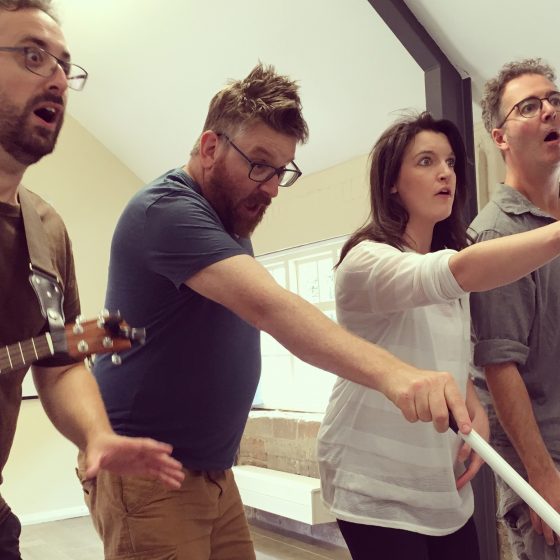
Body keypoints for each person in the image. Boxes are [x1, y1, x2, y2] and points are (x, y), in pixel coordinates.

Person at [87, 64, 477, 560]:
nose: (271, 186)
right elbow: (272, 307)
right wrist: (398, 377)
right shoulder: (166, 211)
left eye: (282, 170)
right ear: (210, 148)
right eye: (260, 164)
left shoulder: (230, 219)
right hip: (148, 469)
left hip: (211, 469)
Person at [316, 111, 560, 560]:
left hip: (441, 486)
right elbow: (458, 273)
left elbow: (445, 351)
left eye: (449, 162)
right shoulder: (367, 261)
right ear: (392, 180)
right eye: (426, 161)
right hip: (374, 485)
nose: (445, 172)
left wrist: (474, 406)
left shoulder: (451, 267)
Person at [0, 2, 186, 558]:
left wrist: (96, 435)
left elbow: (59, 366)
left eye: (64, 65)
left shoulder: (45, 230)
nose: (57, 78)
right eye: (34, 55)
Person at [469, 58, 560, 559]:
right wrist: (542, 479)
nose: (549, 111)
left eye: (554, 100)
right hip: (548, 465)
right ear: (500, 137)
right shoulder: (494, 236)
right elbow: (500, 367)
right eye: (530, 106)